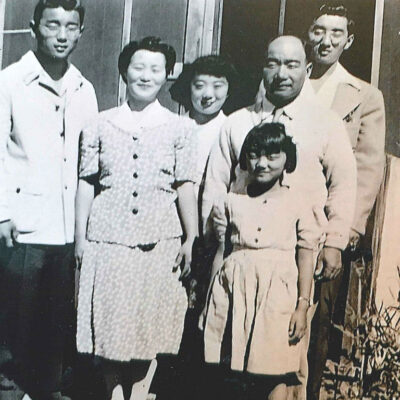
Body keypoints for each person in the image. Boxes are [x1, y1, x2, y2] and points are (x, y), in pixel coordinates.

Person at [202, 35, 357, 399]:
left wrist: (334, 242)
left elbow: (344, 185)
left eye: (291, 65)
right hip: (241, 265)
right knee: (234, 358)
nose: (281, 73)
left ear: (306, 69)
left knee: (289, 361)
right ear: (263, 68)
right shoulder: (237, 124)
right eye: (273, 64)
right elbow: (214, 188)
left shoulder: (325, 123)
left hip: (296, 261)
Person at [75, 36, 197, 400]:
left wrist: (190, 238)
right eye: (138, 67)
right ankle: (112, 391)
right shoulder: (99, 124)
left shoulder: (180, 128)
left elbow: (185, 185)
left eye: (156, 69)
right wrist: (81, 238)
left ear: (167, 75)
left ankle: (142, 391)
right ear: (124, 71)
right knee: (111, 318)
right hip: (108, 236)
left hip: (160, 238)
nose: (146, 76)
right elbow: (86, 182)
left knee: (151, 318)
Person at [0, 1, 97, 399]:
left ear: (80, 33)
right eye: (52, 24)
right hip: (23, 225)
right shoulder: (9, 81)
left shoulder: (84, 88)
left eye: (70, 27)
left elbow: (89, 160)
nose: (61, 35)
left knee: (55, 326)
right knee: (14, 324)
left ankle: (45, 391)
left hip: (67, 228)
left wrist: (84, 230)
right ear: (34, 27)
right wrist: (2, 213)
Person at [202, 123, 322, 400]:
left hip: (276, 297)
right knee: (233, 371)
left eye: (272, 155)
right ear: (245, 159)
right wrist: (209, 304)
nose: (262, 163)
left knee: (275, 369)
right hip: (234, 294)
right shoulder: (231, 202)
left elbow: (306, 254)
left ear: (287, 159)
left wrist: (302, 305)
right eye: (255, 155)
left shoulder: (298, 201)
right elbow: (221, 252)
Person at [305, 3, 386, 399]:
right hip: (283, 216)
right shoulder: (291, 79)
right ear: (309, 34)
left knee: (318, 316)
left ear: (349, 41)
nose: (326, 40)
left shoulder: (364, 95)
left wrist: (350, 226)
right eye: (320, 30)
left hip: (327, 221)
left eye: (336, 33)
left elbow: (368, 166)